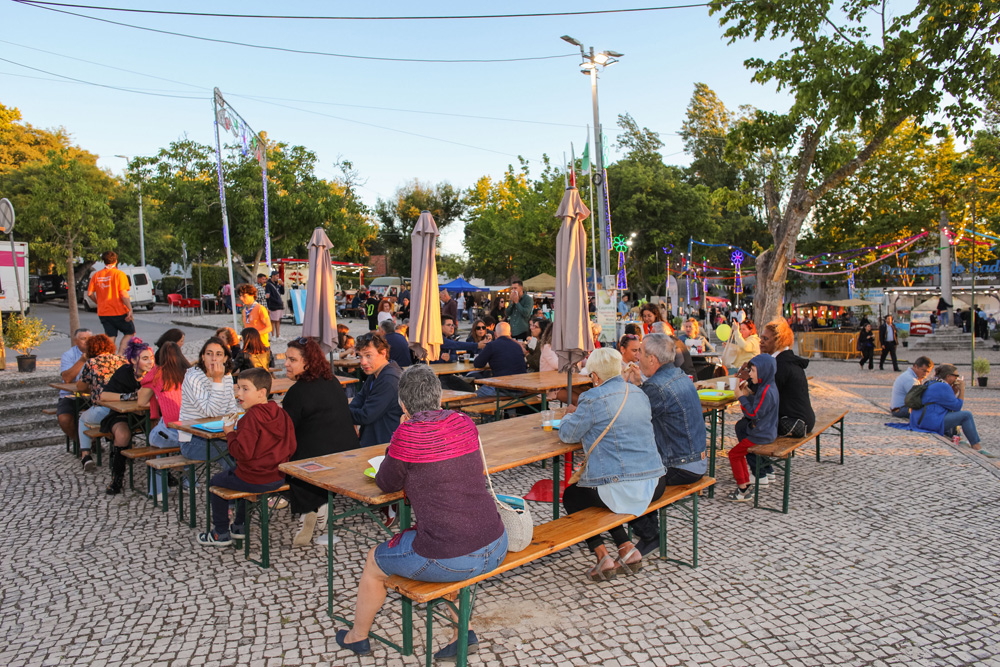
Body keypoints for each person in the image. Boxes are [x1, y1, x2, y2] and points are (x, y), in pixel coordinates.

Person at [336, 365, 508, 659]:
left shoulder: (407, 435)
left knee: (375, 562)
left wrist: (399, 433)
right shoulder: (464, 422)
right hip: (495, 542)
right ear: (439, 397)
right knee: (449, 538)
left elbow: (386, 482)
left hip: (453, 555)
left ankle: (357, 636)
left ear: (403, 404)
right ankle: (462, 633)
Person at [558, 347, 665, 581]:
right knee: (603, 495)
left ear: (595, 376)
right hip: (656, 481)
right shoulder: (638, 393)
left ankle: (602, 556)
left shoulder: (592, 398)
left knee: (573, 496)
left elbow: (568, 434)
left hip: (625, 486)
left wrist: (568, 415)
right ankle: (627, 548)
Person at [624, 333, 707, 555]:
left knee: (625, 480)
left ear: (652, 359)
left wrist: (627, 387)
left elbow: (630, 419)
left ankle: (650, 536)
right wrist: (640, 385)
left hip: (681, 465)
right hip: (696, 459)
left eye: (641, 352)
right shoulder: (679, 375)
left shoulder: (656, 387)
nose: (637, 357)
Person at [197, 368, 297, 546]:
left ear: (261, 392)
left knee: (215, 482)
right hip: (278, 476)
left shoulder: (250, 418)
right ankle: (239, 526)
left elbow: (241, 452)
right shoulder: (281, 413)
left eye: (245, 389)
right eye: (238, 388)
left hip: (255, 477)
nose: (239, 394)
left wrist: (230, 433)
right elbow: (292, 446)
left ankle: (220, 533)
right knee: (237, 474)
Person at [282, 337, 360, 545]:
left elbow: (285, 431)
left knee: (284, 462)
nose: (286, 364)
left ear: (308, 363)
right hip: (349, 453)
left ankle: (310, 506)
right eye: (286, 359)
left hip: (317, 462)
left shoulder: (296, 392)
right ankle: (319, 503)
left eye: (292, 360)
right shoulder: (332, 381)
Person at [99, 338, 155, 495]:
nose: (150, 362)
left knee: (159, 432)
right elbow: (104, 396)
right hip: (121, 415)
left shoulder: (155, 373)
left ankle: (164, 472)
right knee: (123, 435)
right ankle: (117, 477)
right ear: (133, 360)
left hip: (146, 415)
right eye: (145, 358)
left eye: (151, 358)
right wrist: (128, 396)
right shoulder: (124, 372)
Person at [178, 338, 239, 468]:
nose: (214, 359)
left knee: (245, 446)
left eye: (219, 354)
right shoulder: (193, 378)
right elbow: (211, 412)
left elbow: (231, 408)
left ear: (225, 358)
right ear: (203, 357)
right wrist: (217, 381)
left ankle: (240, 478)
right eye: (209, 354)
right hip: (193, 439)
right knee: (235, 450)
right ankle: (236, 480)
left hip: (219, 434)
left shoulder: (227, 375)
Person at [910, 364, 995, 457]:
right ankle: (976, 446)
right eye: (956, 376)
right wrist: (962, 390)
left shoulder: (933, 382)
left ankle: (957, 437)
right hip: (928, 422)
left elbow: (948, 403)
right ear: (948, 376)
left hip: (920, 420)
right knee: (966, 415)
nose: (957, 378)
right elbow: (957, 407)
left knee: (954, 413)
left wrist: (954, 391)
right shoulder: (943, 386)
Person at [726, 354, 780, 501]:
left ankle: (743, 489)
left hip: (761, 434)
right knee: (738, 453)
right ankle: (745, 484)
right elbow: (759, 406)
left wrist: (740, 397)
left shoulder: (766, 391)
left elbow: (752, 413)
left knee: (734, 454)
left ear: (763, 372)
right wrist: (748, 394)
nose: (750, 374)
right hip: (767, 431)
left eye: (753, 371)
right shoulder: (768, 386)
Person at [139, 340, 189, 498]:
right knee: (169, 436)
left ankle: (159, 491)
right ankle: (189, 484)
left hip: (172, 432)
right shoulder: (190, 372)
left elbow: (141, 401)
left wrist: (158, 397)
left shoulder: (157, 373)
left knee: (156, 441)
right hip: (192, 431)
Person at [76, 334, 125, 472]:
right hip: (124, 409)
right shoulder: (122, 360)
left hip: (103, 409)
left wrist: (93, 387)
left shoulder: (92, 363)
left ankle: (85, 455)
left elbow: (80, 387)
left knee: (82, 418)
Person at [759, 319, 815, 438]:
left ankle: (757, 451)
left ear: (778, 341)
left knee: (746, 425)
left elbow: (766, 393)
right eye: (761, 338)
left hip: (795, 422)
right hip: (805, 419)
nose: (761, 342)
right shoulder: (785, 359)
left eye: (765, 339)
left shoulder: (781, 364)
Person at [349, 333, 403, 446]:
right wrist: (350, 416)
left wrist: (346, 415)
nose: (363, 362)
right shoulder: (377, 373)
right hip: (374, 439)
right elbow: (359, 399)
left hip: (385, 445)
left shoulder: (389, 379)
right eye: (360, 356)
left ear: (383, 353)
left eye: (368, 355)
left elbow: (366, 415)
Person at [87, 251, 135, 355]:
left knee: (110, 335)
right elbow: (123, 293)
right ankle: (120, 354)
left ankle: (109, 357)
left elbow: (89, 293)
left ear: (103, 261)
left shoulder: (97, 275)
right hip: (118, 310)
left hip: (103, 312)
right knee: (130, 332)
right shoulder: (119, 274)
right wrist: (130, 309)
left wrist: (99, 302)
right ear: (116, 261)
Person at [57, 328, 92, 450]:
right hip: (72, 395)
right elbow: (67, 379)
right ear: (76, 341)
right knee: (64, 419)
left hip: (93, 395)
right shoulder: (69, 355)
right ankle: (81, 443)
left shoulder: (99, 353)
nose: (87, 342)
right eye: (83, 339)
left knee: (110, 413)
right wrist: (82, 360)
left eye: (89, 339)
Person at [473, 322, 526, 397]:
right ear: (510, 334)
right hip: (522, 388)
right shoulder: (518, 346)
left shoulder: (492, 345)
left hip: (503, 389)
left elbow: (477, 364)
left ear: (495, 334)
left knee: (473, 396)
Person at [238, 282, 272, 349]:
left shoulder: (260, 309)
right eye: (240, 296)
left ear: (252, 295)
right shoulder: (245, 310)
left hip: (261, 345)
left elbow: (269, 327)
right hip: (249, 345)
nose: (241, 298)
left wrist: (254, 334)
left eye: (244, 296)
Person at [266, 271, 285, 339]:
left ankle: (278, 335)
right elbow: (268, 296)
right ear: (273, 276)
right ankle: (273, 335)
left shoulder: (277, 284)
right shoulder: (268, 285)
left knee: (278, 320)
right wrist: (276, 301)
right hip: (273, 305)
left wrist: (282, 285)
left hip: (279, 304)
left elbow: (282, 292)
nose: (277, 278)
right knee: (273, 320)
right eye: (277, 276)